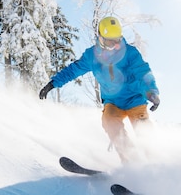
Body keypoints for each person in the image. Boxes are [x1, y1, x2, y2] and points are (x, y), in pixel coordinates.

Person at [39, 16, 160, 163]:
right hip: (113, 102)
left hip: (135, 99)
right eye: (108, 41)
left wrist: (152, 92)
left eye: (116, 41)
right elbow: (73, 70)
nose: (113, 46)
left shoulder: (130, 53)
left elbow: (143, 73)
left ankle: (155, 163)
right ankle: (131, 162)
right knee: (109, 121)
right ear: (100, 38)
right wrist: (53, 83)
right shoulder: (92, 56)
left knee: (143, 129)